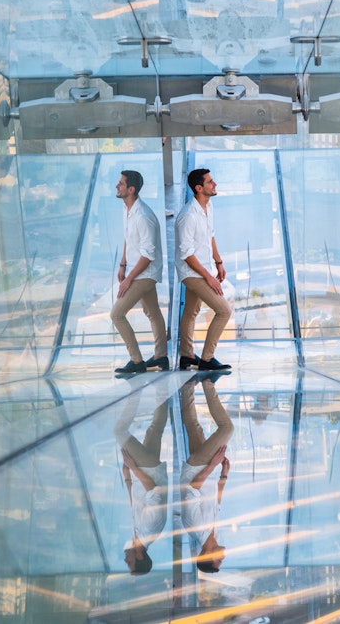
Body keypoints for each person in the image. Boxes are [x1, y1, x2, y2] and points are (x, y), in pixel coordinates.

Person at [111, 170, 168, 374]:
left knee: (117, 314)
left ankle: (136, 361)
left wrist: (129, 280)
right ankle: (161, 357)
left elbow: (148, 255)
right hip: (136, 269)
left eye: (120, 184)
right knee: (152, 312)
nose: (117, 186)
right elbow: (129, 238)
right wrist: (122, 265)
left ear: (131, 189)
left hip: (145, 273)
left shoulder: (144, 216)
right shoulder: (127, 210)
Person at [175, 168, 232, 372]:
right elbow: (187, 255)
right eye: (210, 182)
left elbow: (210, 235)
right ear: (199, 188)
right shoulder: (188, 216)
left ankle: (187, 356)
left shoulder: (209, 206)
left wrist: (218, 262)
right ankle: (207, 359)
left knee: (191, 312)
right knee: (224, 310)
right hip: (192, 273)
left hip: (205, 268)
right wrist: (209, 278)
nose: (214, 184)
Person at [179, 377, 234, 573]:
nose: (222, 558)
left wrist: (213, 463)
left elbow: (192, 488)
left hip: (197, 468)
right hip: (207, 471)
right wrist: (223, 476)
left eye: (219, 561)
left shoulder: (195, 527)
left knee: (227, 428)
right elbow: (216, 502)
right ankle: (187, 386)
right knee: (193, 426)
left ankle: (208, 381)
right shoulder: (214, 533)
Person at [114, 395, 169, 575]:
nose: (125, 560)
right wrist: (133, 466)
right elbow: (153, 490)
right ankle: (135, 392)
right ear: (139, 558)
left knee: (154, 430)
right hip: (148, 470)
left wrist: (128, 479)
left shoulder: (137, 536)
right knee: (119, 432)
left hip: (144, 472)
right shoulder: (150, 529)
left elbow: (136, 503)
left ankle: (162, 387)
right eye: (129, 563)